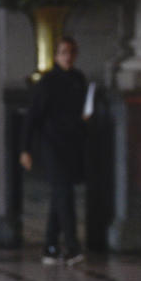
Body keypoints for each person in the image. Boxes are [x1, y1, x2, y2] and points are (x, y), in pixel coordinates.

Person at [20, 36, 89, 266]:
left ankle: (50, 247)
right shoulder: (47, 82)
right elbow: (32, 117)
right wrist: (25, 149)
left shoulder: (79, 79)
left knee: (60, 196)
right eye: (62, 52)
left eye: (70, 52)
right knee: (64, 195)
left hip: (71, 146)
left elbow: (80, 112)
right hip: (52, 146)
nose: (67, 56)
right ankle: (72, 247)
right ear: (56, 55)